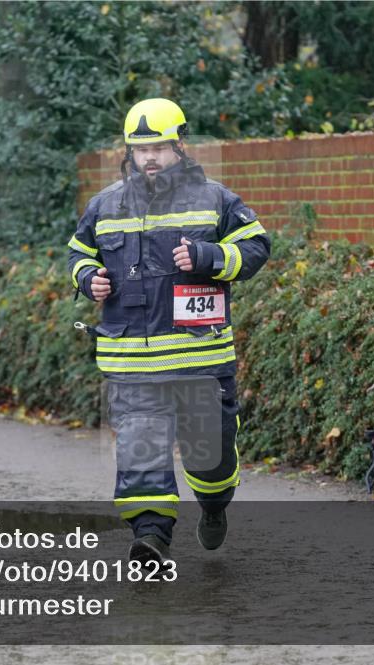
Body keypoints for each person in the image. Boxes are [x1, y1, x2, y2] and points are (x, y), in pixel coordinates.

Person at [67, 98, 270, 563]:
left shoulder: (216, 199)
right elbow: (79, 252)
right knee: (140, 453)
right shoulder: (105, 205)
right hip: (131, 363)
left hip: (200, 361)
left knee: (211, 460)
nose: (150, 157)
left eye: (158, 147)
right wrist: (87, 277)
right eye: (141, 150)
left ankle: (214, 506)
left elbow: (256, 246)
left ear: (180, 145)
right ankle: (150, 538)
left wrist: (209, 258)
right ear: (130, 152)